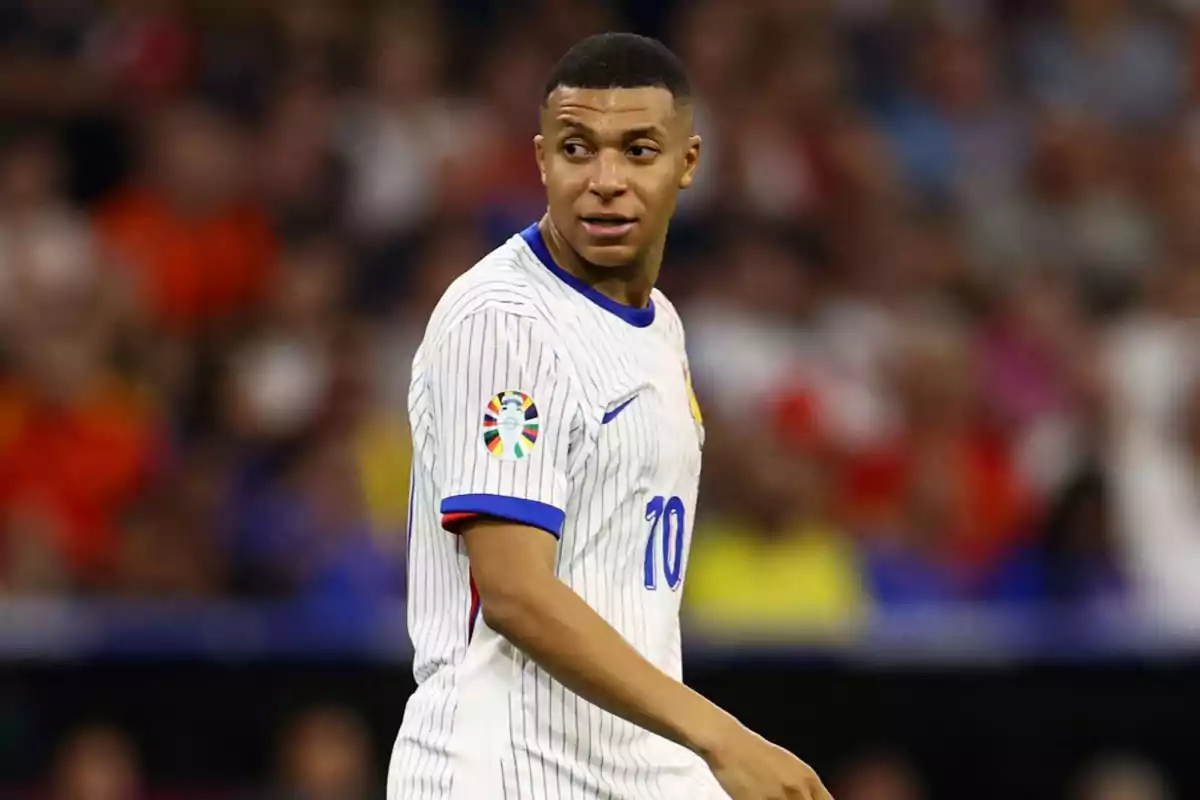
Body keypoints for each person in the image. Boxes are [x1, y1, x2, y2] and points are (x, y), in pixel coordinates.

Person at [388, 32, 832, 800]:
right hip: (501, 770)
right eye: (576, 148)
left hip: (632, 767)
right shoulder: (505, 321)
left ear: (687, 163)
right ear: (540, 160)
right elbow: (516, 590)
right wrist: (724, 739)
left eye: (637, 151)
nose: (604, 181)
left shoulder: (659, 324)